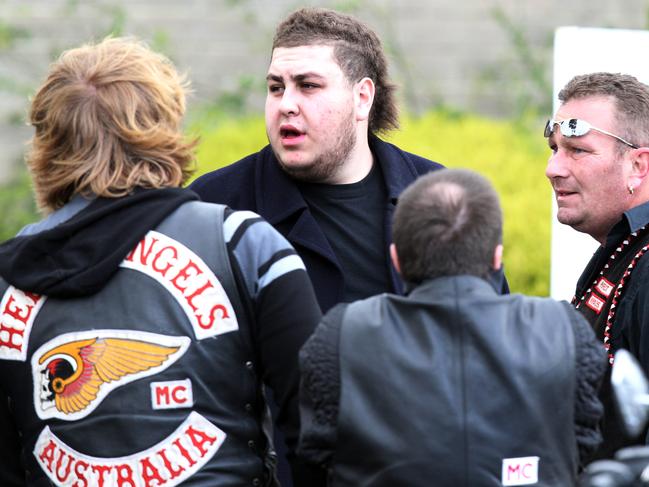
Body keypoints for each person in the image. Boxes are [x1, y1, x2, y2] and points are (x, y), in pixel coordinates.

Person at [0, 37, 323, 486]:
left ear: (48, 141)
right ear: (164, 125)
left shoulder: (6, 279)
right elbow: (319, 429)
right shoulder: (245, 246)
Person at [298, 169, 606, 486]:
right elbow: (584, 445)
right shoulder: (565, 331)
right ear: (497, 258)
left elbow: (315, 456)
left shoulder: (341, 335)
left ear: (396, 259)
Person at [190, 7, 451, 315]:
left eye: (308, 86)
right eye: (276, 88)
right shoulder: (212, 207)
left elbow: (477, 333)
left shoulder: (440, 198)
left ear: (362, 97)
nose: (286, 104)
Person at [545, 72, 649, 458]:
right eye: (554, 149)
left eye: (578, 151)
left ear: (638, 165)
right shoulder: (623, 249)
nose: (553, 169)